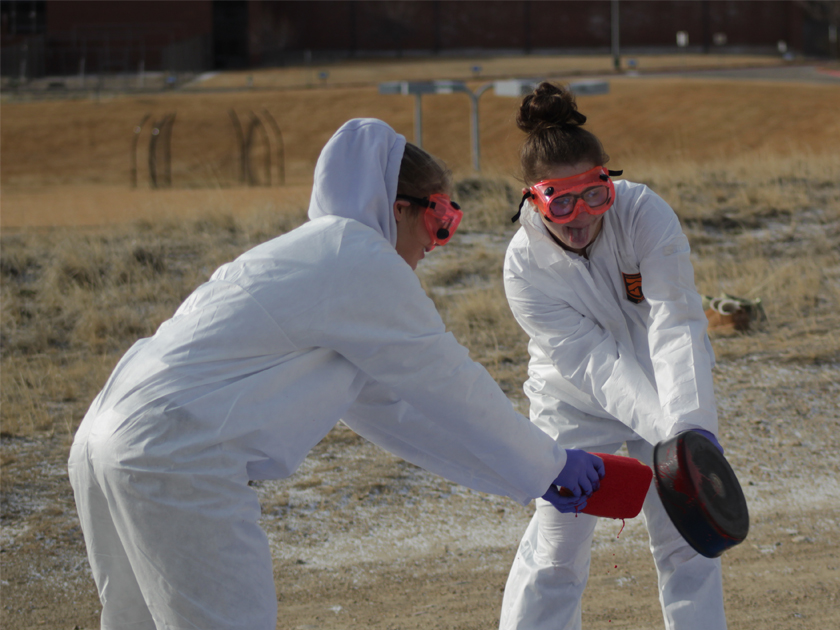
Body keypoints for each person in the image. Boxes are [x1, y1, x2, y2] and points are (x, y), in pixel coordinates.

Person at [67, 118, 604, 630]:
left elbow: (399, 415)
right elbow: (450, 383)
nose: (435, 245)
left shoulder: (314, 261)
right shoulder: (360, 258)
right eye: (442, 223)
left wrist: (532, 476)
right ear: (400, 208)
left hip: (102, 441)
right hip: (175, 455)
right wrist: (548, 463)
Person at [498, 83, 727, 630]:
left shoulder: (645, 213)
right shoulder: (522, 267)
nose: (581, 216)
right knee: (557, 549)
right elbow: (593, 361)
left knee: (689, 543)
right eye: (562, 202)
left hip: (670, 391)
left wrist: (689, 431)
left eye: (595, 196)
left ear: (609, 184)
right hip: (573, 402)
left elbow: (676, 321)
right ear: (534, 198)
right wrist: (673, 437)